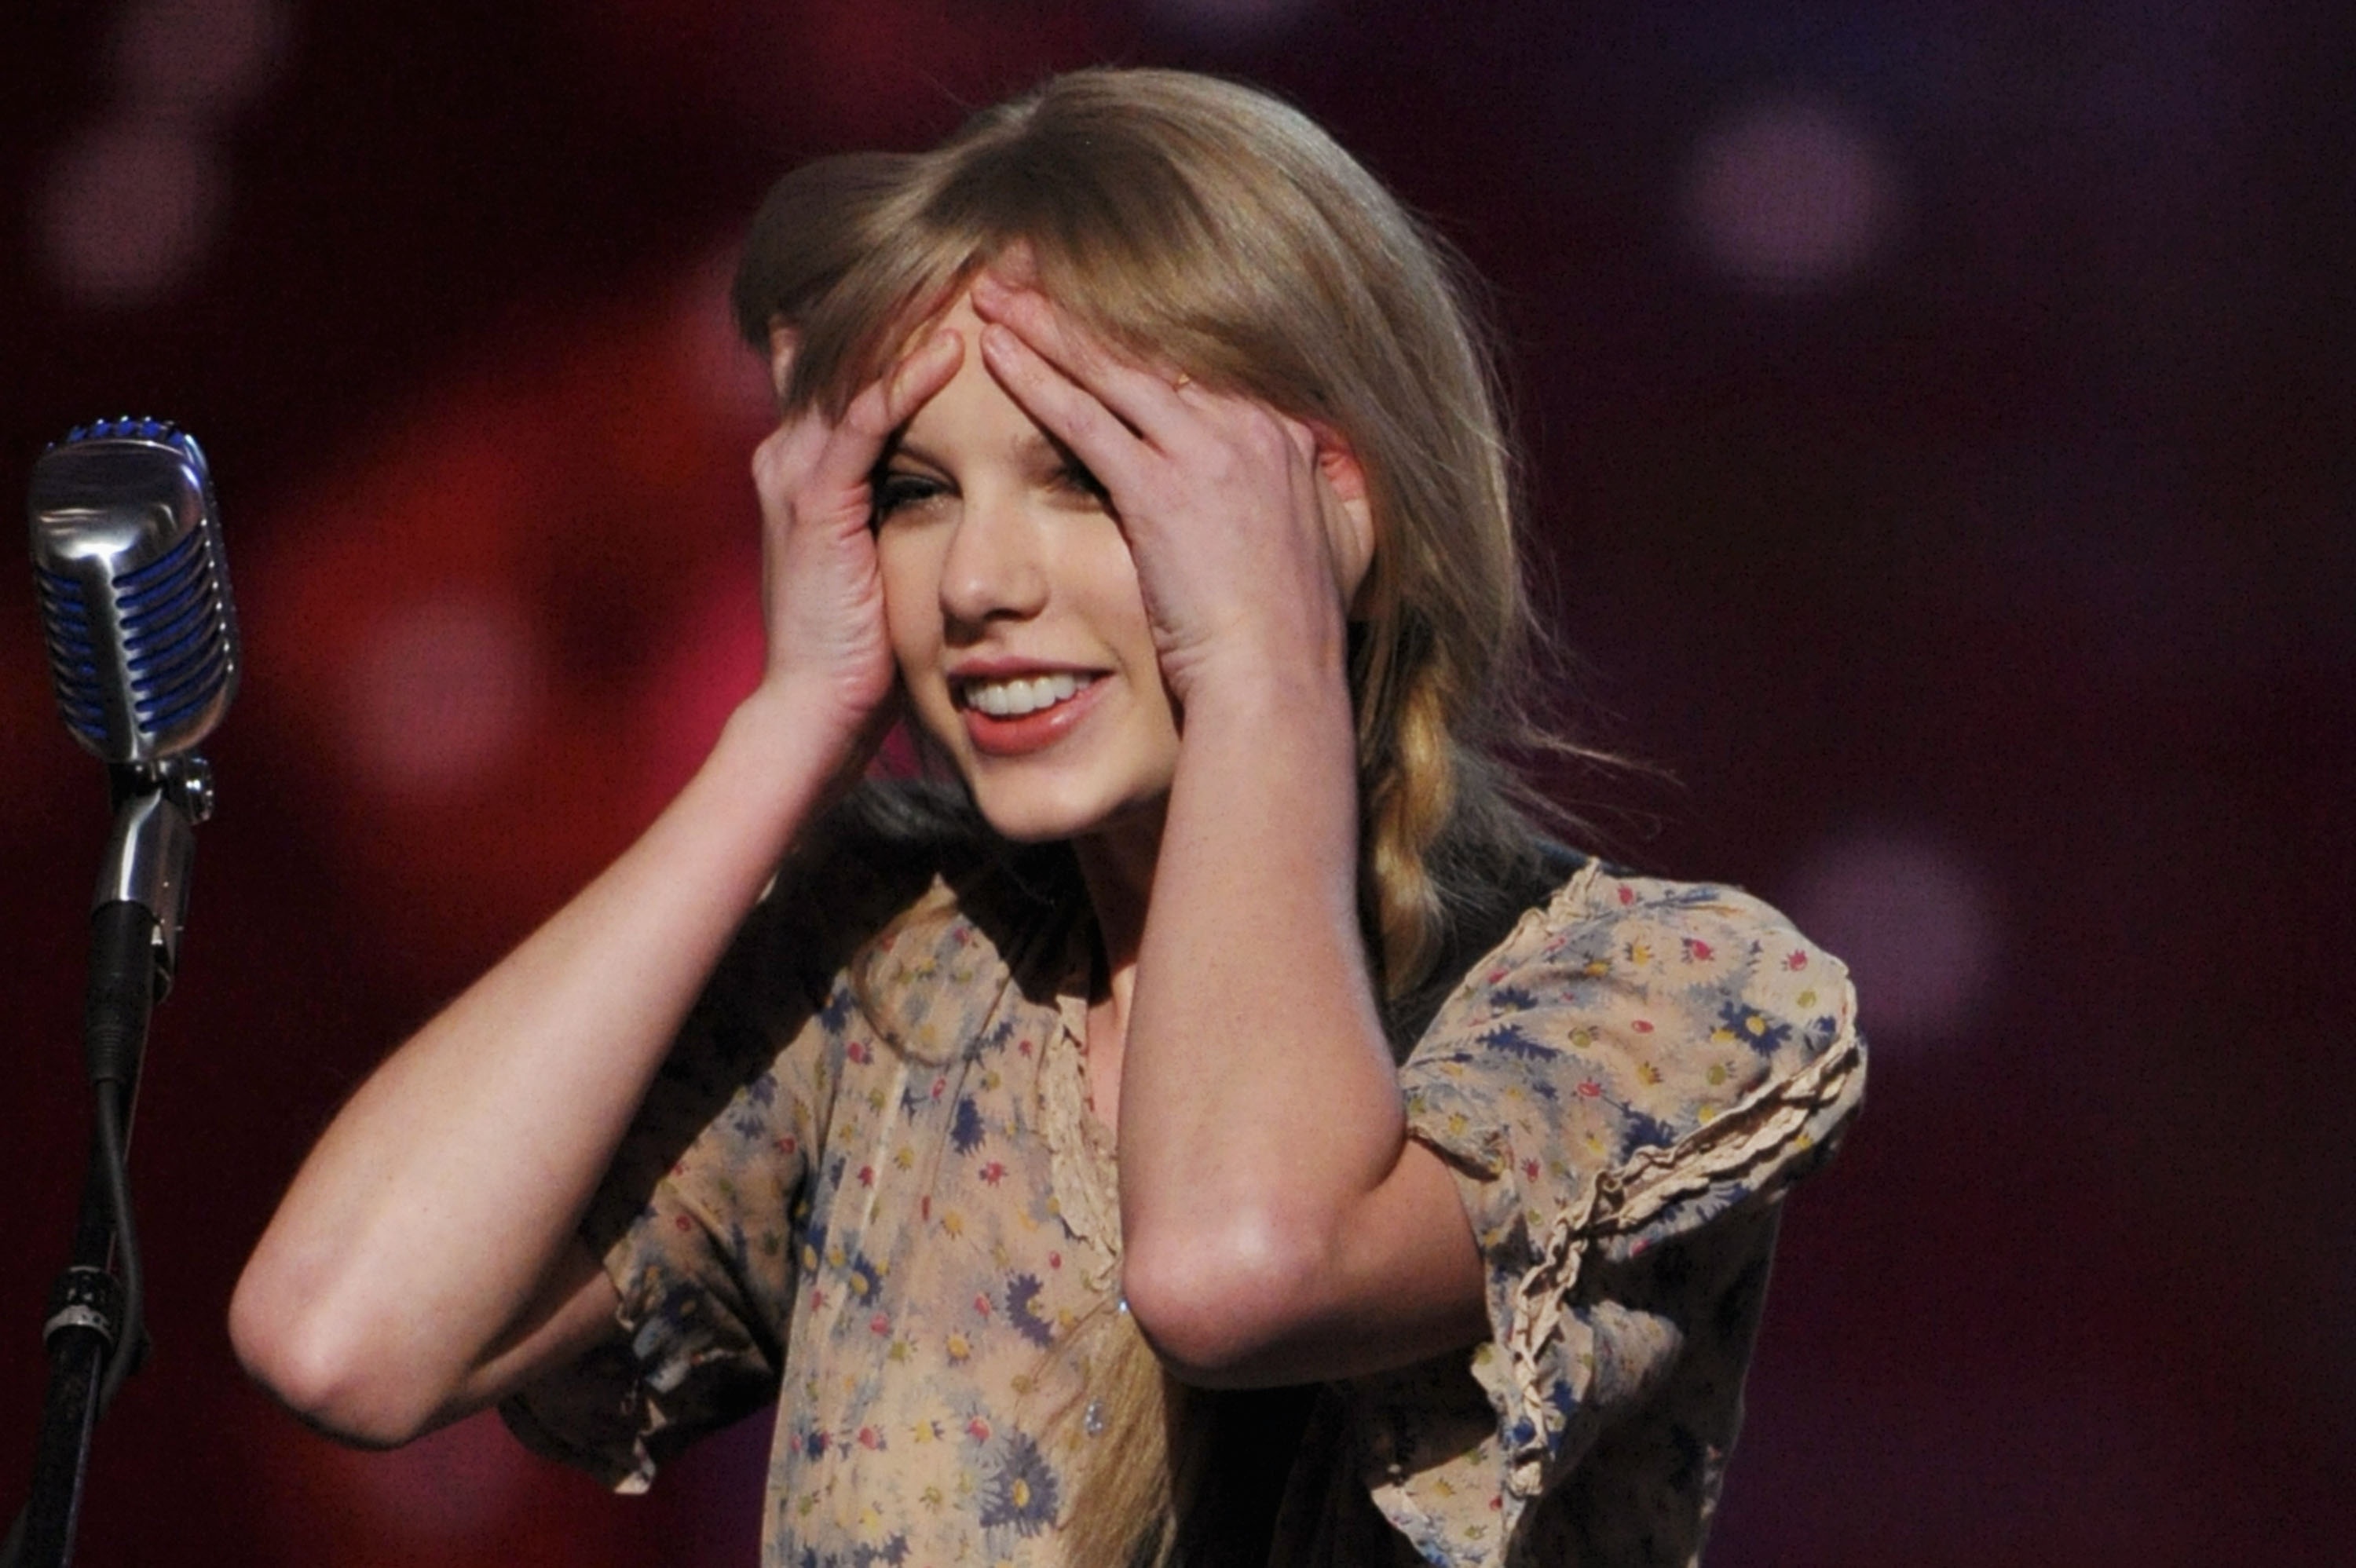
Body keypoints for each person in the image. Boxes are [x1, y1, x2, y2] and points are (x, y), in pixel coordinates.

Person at [231, 68, 1864, 1567]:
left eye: (1088, 474)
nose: (977, 582)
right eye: (914, 492)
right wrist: (786, 729)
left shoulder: (1663, 998)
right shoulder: (888, 970)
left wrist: (1267, 665)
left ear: (1334, 503)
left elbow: (1239, 1265)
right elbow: (345, 1335)